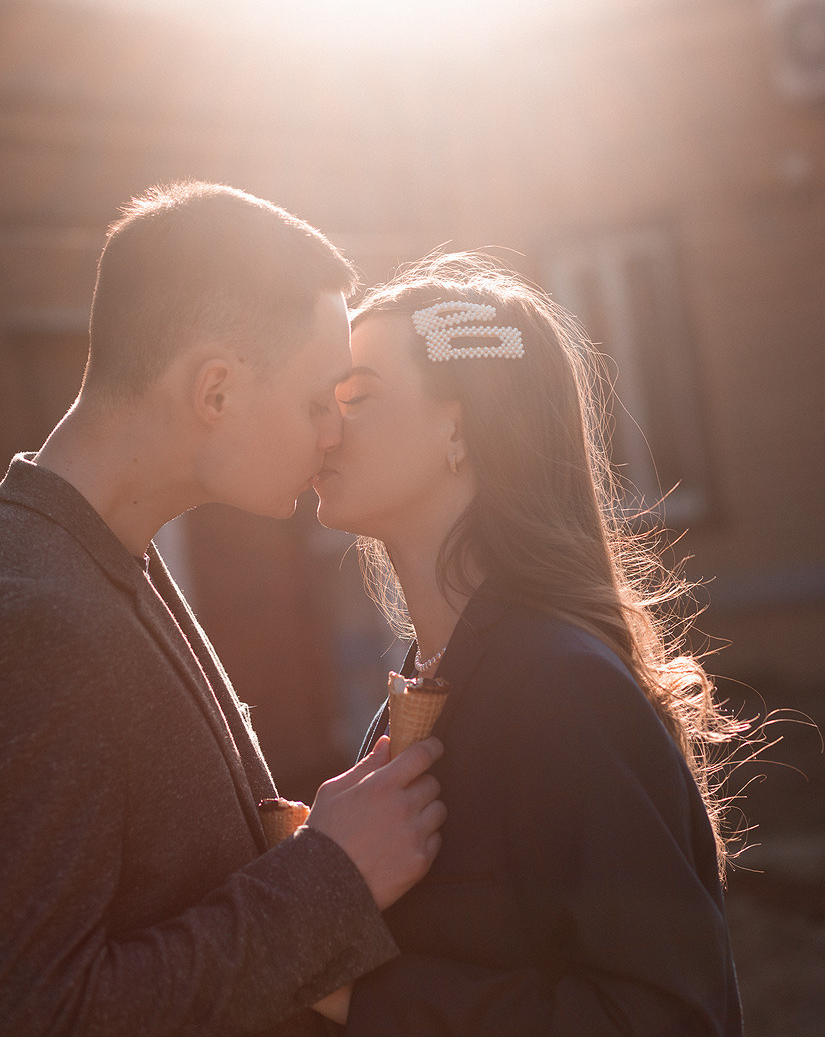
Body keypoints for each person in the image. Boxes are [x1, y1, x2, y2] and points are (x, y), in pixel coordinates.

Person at [0, 181, 446, 1036]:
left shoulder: (106, 562)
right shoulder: (34, 619)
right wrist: (332, 875)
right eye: (319, 402)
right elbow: (42, 1012)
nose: (333, 435)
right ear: (215, 391)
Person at [313, 251, 745, 1035]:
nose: (323, 426)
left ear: (457, 427)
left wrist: (364, 999)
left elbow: (669, 1015)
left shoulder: (563, 688)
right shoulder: (419, 693)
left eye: (358, 397)